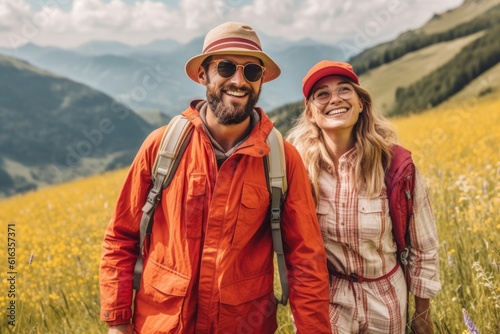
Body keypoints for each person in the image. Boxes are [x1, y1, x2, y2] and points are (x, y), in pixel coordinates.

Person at [99, 22, 331, 334]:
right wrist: (117, 321)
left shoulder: (282, 159)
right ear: (202, 75)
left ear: (261, 81)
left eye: (251, 71)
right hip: (160, 325)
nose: (239, 80)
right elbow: (122, 237)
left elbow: (305, 260)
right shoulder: (162, 145)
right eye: (225, 67)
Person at [287, 60, 441, 333]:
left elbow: (423, 247)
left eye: (344, 90)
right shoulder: (297, 170)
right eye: (322, 94)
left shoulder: (396, 166)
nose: (334, 99)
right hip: (328, 301)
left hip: (386, 300)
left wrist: (422, 313)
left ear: (361, 104)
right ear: (310, 113)